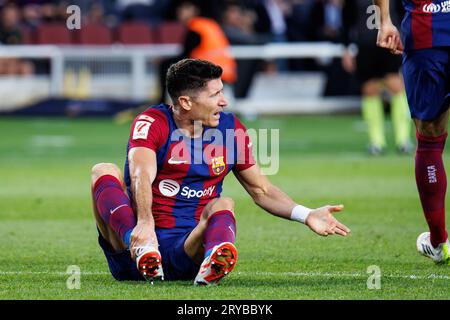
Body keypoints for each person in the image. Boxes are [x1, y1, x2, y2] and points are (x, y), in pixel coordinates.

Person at [91, 58, 351, 285]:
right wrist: (146, 224)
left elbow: (262, 190)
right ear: (186, 101)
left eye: (222, 92)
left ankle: (213, 262)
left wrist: (307, 215)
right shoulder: (152, 123)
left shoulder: (230, 129)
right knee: (103, 170)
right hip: (134, 251)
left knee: (223, 203)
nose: (224, 101)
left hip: (188, 250)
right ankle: (145, 247)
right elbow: (140, 176)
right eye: (215, 95)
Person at [375, 0, 450, 264]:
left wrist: (384, 20)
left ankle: (439, 240)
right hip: (426, 32)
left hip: (426, 34)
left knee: (430, 140)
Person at [341, 0, 412, 155]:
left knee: (395, 85)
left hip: (389, 41)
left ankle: (403, 139)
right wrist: (346, 49)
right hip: (366, 45)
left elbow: (404, 14)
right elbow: (346, 21)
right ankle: (376, 141)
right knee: (370, 89)